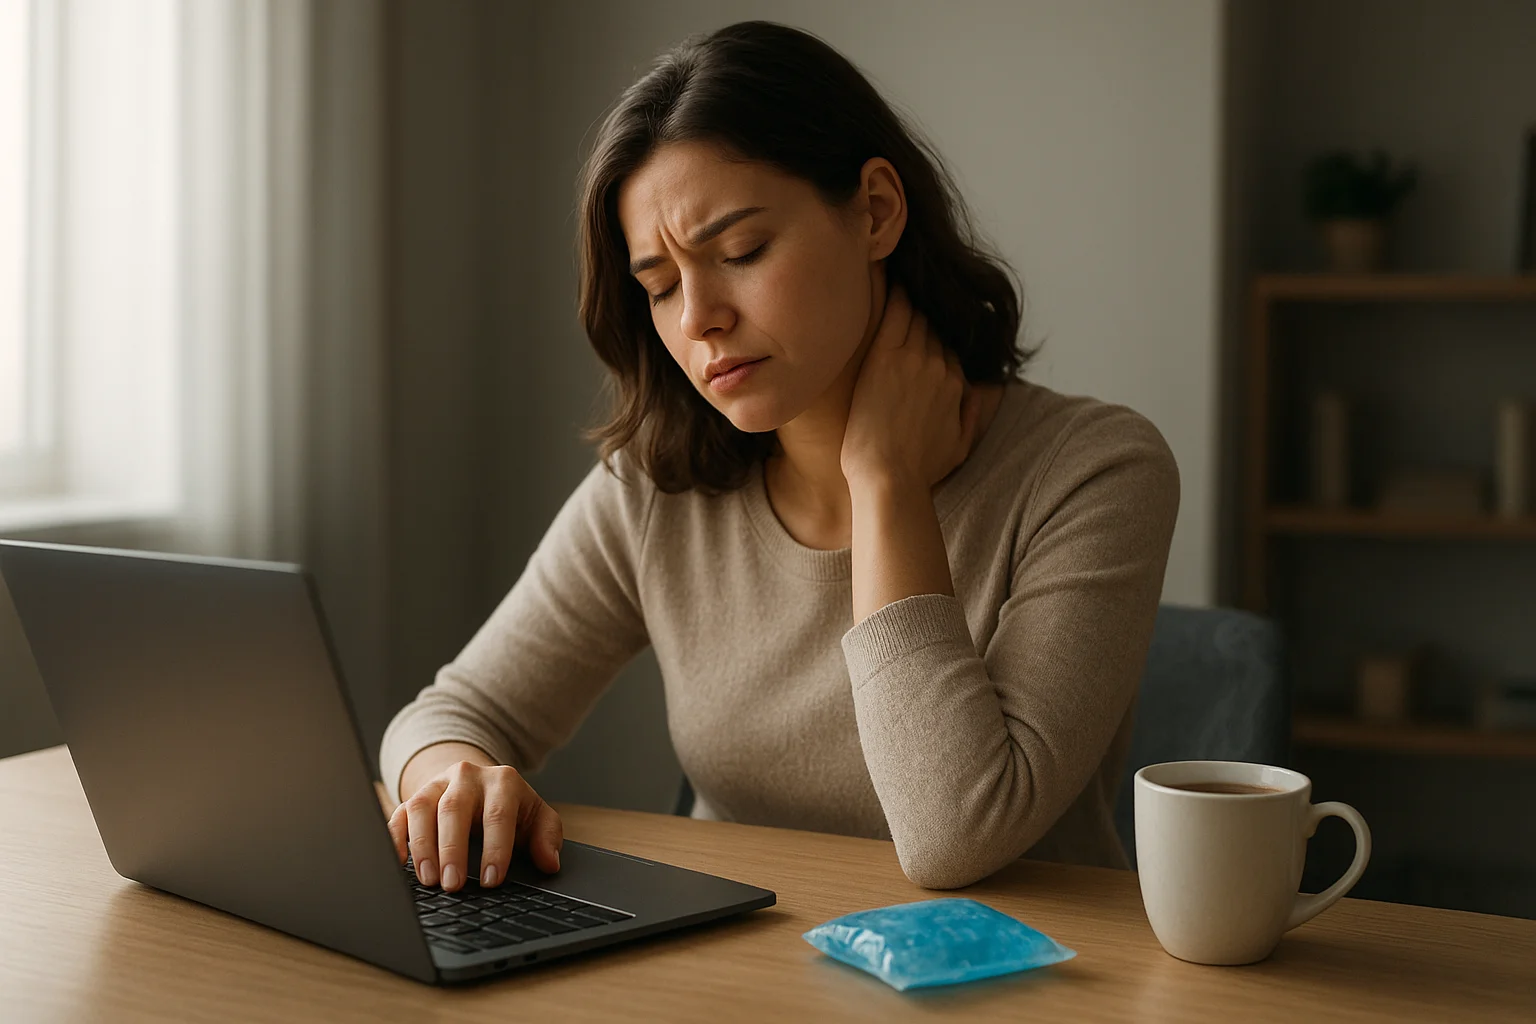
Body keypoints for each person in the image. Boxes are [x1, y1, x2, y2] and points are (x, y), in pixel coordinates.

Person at [380, 20, 1178, 895]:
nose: (698, 320)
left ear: (875, 210)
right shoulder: (657, 487)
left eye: (741, 252)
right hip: (738, 971)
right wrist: (453, 780)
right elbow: (454, 713)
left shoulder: (1095, 471)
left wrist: (885, 483)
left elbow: (957, 834)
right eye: (661, 285)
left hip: (1022, 980)